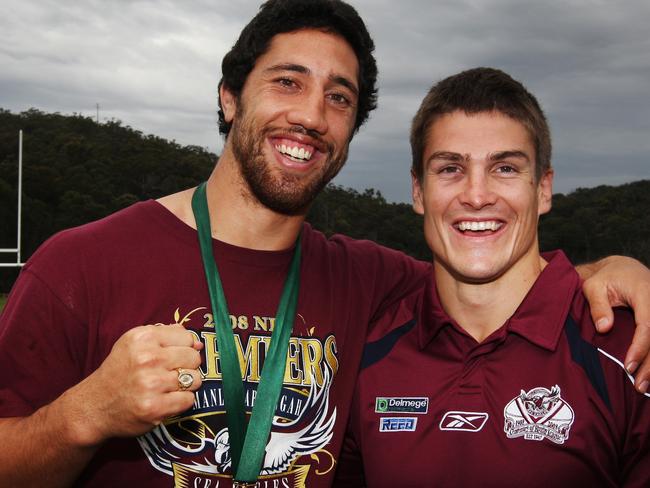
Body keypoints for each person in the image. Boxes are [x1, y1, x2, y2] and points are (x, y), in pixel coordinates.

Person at [0, 2, 649, 486]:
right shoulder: (81, 265)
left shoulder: (369, 281)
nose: (311, 116)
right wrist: (83, 415)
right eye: (287, 82)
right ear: (229, 97)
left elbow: (490, 274)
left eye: (338, 98)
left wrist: (613, 269)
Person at [336, 67, 650, 487]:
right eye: (450, 168)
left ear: (542, 189)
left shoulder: (630, 346)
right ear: (417, 191)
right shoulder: (368, 352)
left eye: (504, 168)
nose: (477, 195)